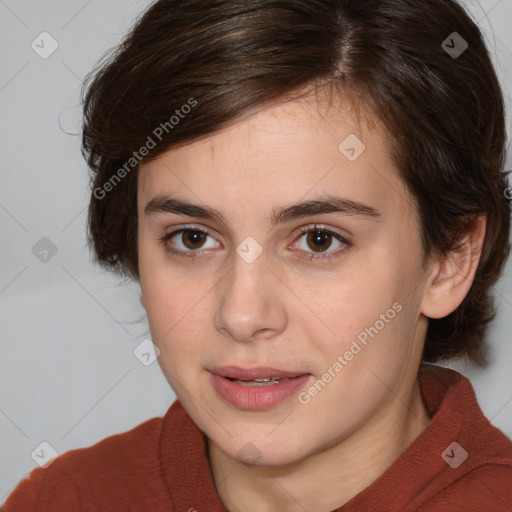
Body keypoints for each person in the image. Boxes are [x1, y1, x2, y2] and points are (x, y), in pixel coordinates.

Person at [3, 0, 512, 510]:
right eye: (193, 238)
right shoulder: (62, 500)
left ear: (450, 258)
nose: (242, 316)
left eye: (318, 240)